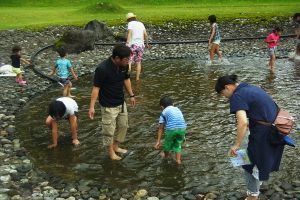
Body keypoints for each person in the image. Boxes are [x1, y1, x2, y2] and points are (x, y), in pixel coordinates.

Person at [215, 74, 286, 200]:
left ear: (227, 87)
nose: (224, 97)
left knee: (247, 163)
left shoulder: (237, 96)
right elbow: (261, 108)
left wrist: (236, 144)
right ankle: (256, 187)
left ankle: (253, 195)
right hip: (276, 130)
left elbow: (242, 122)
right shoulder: (249, 88)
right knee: (255, 160)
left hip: (264, 134)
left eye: (222, 93)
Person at [88, 44, 136, 160]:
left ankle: (116, 146)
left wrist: (131, 95)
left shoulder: (124, 66)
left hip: (121, 101)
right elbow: (96, 88)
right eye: (126, 59)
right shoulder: (102, 69)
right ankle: (111, 153)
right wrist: (92, 107)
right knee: (109, 131)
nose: (128, 61)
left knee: (123, 126)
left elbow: (126, 79)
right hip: (108, 105)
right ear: (117, 58)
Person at [154, 96, 187, 164]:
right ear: (173, 104)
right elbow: (181, 121)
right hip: (182, 129)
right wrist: (183, 136)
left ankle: (166, 157)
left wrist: (158, 141)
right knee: (178, 145)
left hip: (171, 130)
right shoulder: (178, 109)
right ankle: (178, 161)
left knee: (167, 145)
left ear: (162, 107)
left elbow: (161, 128)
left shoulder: (163, 112)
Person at [126, 12, 150, 81]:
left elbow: (129, 34)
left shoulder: (130, 23)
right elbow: (146, 35)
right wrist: (147, 44)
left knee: (129, 61)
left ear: (128, 19)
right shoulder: (141, 24)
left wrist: (127, 43)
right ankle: (137, 79)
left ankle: (127, 79)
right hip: (141, 46)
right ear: (134, 18)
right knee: (138, 62)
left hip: (132, 45)